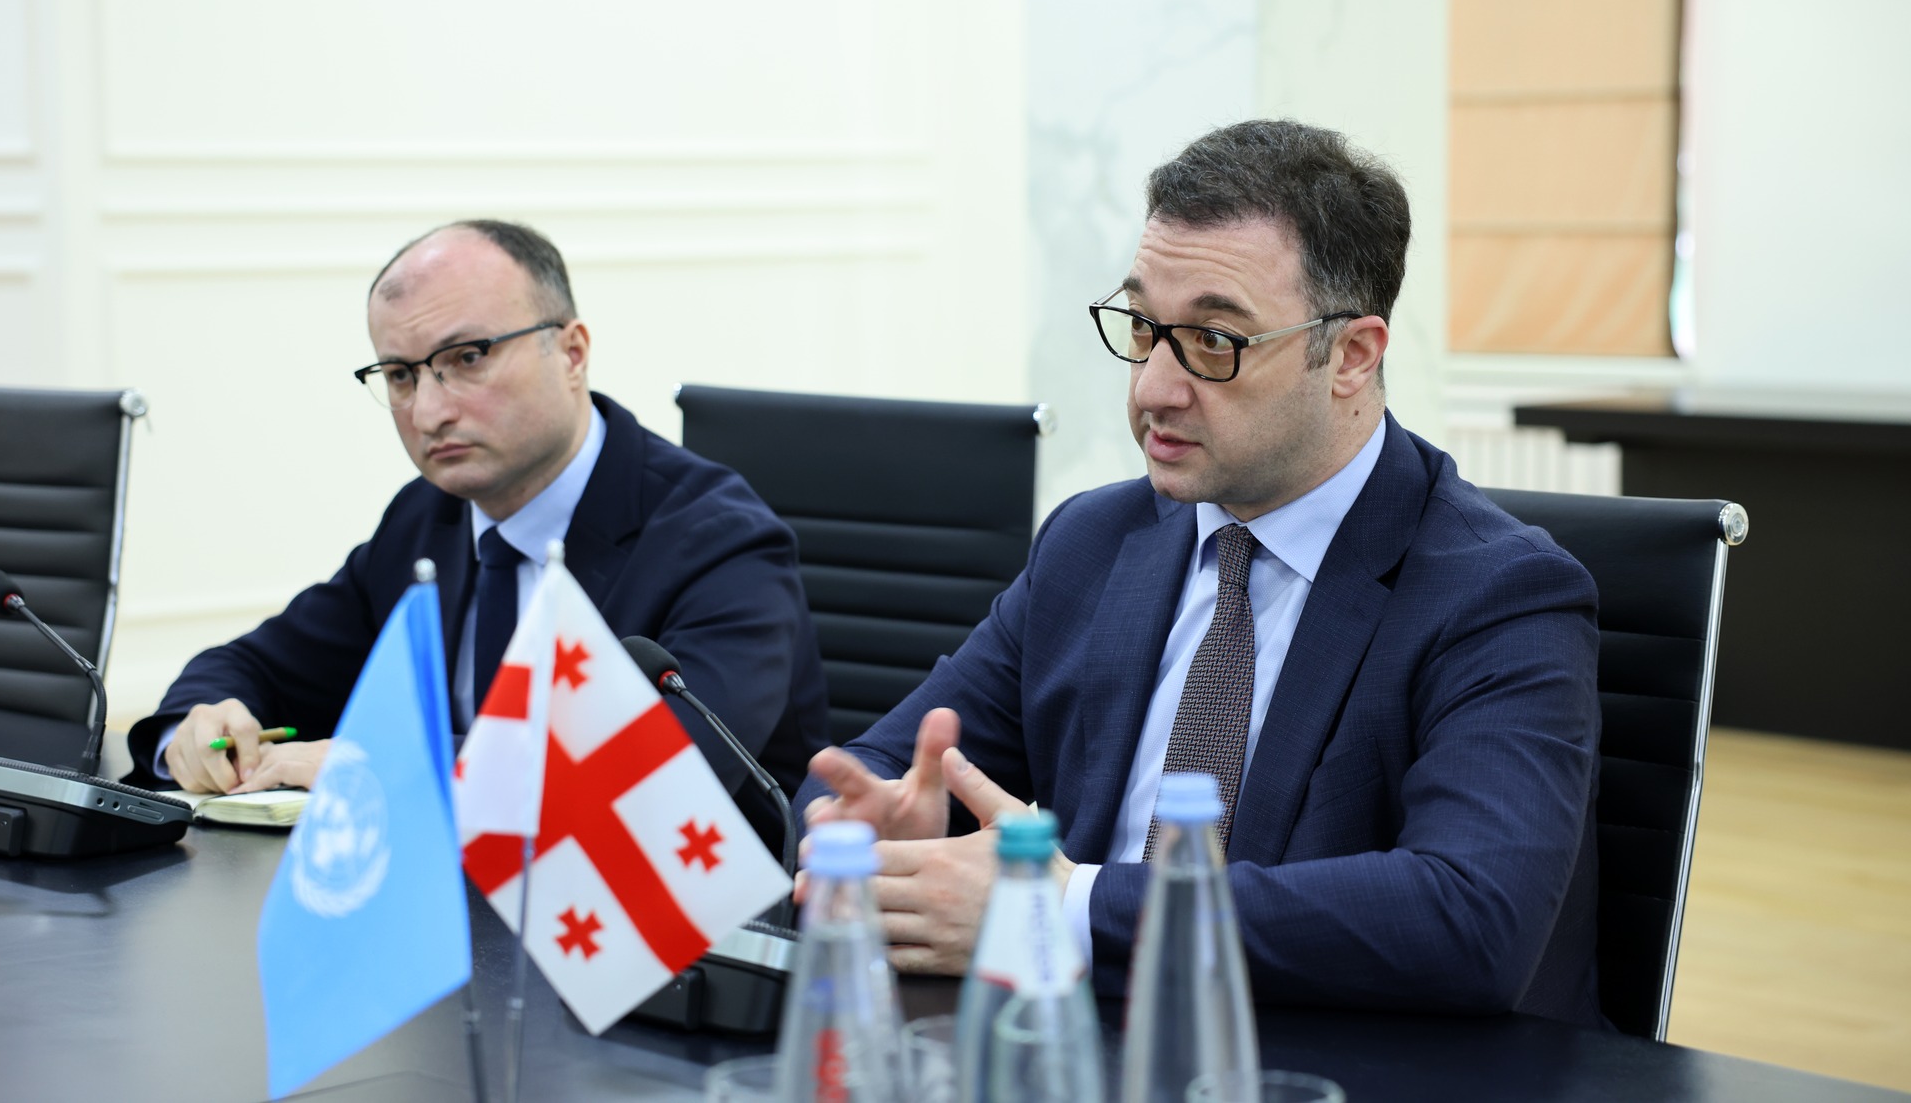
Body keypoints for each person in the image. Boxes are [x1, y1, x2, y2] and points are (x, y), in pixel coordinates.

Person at [796, 120, 1604, 1025]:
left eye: (1215, 340)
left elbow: (1471, 916)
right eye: (1144, 327)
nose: (1153, 387)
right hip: (1087, 1052)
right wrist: (883, 829)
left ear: (1352, 355)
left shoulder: (1499, 595)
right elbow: (875, 767)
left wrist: (1067, 908)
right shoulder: (1093, 541)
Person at [126, 220, 829, 845]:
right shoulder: (426, 518)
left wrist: (384, 765)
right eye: (400, 375)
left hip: (677, 929)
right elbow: (257, 666)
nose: (429, 411)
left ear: (572, 352)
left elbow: (652, 772)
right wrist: (197, 726)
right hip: (453, 905)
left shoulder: (719, 540)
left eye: (467, 357)